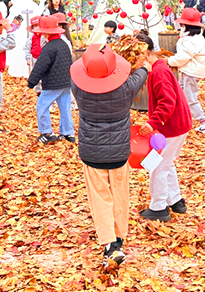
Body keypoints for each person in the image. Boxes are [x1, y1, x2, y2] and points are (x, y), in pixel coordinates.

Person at [71, 43, 149, 269]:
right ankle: (119, 239)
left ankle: (109, 245)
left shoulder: (79, 89)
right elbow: (140, 76)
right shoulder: (125, 89)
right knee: (120, 194)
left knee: (100, 198)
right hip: (118, 152)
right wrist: (143, 66)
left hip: (91, 152)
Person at [137, 34, 192, 222]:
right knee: (166, 162)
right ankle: (176, 200)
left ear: (143, 53)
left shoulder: (159, 71)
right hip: (176, 124)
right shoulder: (158, 67)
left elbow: (167, 101)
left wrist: (152, 122)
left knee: (157, 164)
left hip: (172, 126)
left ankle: (159, 207)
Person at [27, 15, 76, 144]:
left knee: (42, 106)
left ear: (45, 32)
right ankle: (68, 133)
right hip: (66, 81)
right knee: (65, 107)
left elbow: (40, 66)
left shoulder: (49, 48)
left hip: (53, 83)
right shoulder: (63, 44)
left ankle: (47, 132)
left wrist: (31, 83)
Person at [168, 8, 205, 133]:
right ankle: (180, 119)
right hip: (191, 70)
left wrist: (169, 60)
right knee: (179, 93)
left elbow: (182, 58)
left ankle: (204, 123)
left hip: (191, 72)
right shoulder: (196, 37)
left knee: (190, 97)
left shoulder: (189, 40)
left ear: (185, 25)